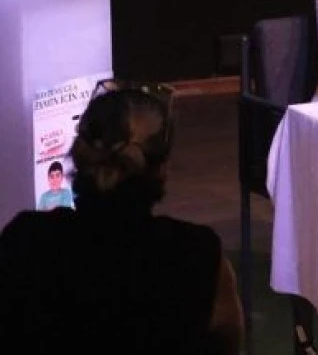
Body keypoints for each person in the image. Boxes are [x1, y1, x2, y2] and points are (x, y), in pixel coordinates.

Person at [0, 82, 242, 354]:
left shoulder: (25, 240)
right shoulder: (198, 253)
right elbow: (228, 340)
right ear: (161, 170)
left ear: (79, 156)